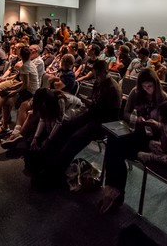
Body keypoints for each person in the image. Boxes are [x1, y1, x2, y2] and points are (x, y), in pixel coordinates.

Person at [32, 60, 121, 189]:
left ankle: (55, 172)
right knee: (65, 127)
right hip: (92, 114)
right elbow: (94, 104)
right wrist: (88, 103)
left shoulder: (113, 88)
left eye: (97, 74)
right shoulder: (98, 83)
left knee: (75, 138)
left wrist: (90, 106)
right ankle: (48, 160)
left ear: (104, 72)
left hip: (103, 122)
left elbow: (112, 114)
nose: (96, 77)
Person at [100, 68, 167, 211]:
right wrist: (136, 118)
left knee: (115, 147)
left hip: (154, 140)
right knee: (114, 140)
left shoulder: (164, 99)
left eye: (150, 86)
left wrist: (156, 124)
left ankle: (113, 190)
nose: (147, 89)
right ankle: (114, 190)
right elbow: (125, 113)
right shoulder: (136, 93)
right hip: (138, 133)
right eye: (144, 86)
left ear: (156, 84)